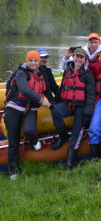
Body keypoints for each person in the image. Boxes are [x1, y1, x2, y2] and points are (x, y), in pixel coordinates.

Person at [4, 51, 52, 180]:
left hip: (30, 108)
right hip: (14, 108)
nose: (33, 63)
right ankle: (12, 171)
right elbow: (24, 89)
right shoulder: (21, 73)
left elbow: (47, 91)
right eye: (30, 60)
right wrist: (41, 101)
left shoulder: (42, 75)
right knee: (13, 142)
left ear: (38, 62)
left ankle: (34, 141)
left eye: (35, 61)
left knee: (29, 130)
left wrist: (54, 105)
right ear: (27, 61)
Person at [51, 48, 95, 169]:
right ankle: (63, 135)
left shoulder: (88, 74)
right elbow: (63, 88)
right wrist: (56, 101)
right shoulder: (67, 71)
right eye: (77, 56)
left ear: (84, 59)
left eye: (81, 57)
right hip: (68, 104)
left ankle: (70, 162)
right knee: (56, 112)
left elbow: (91, 94)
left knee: (77, 132)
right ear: (73, 57)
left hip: (81, 107)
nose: (79, 59)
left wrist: (88, 112)